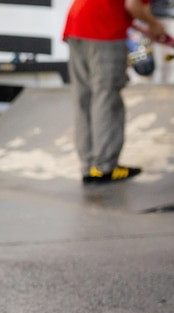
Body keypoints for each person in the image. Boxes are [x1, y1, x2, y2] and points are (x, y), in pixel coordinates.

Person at [63, 0, 168, 184]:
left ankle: (89, 166)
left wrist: (144, 29)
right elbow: (133, 5)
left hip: (76, 25)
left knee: (84, 98)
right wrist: (154, 24)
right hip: (104, 30)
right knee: (106, 97)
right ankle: (105, 167)